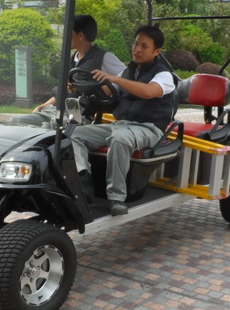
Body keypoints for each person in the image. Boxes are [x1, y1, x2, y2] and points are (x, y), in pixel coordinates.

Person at [70, 25, 176, 216]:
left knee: (119, 139)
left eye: (144, 46)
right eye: (136, 44)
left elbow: (149, 91)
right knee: (73, 134)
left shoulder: (164, 75)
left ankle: (116, 198)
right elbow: (105, 91)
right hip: (121, 125)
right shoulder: (128, 72)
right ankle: (83, 178)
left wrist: (115, 80)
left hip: (149, 129)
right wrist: (79, 88)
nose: (137, 49)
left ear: (156, 51)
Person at [10, 15, 126, 127]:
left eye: (69, 33)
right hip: (58, 111)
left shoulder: (104, 57)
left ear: (80, 35)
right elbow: (64, 90)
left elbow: (126, 76)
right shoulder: (72, 59)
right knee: (15, 121)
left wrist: (106, 89)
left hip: (80, 116)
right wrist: (43, 106)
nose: (65, 38)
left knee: (47, 128)